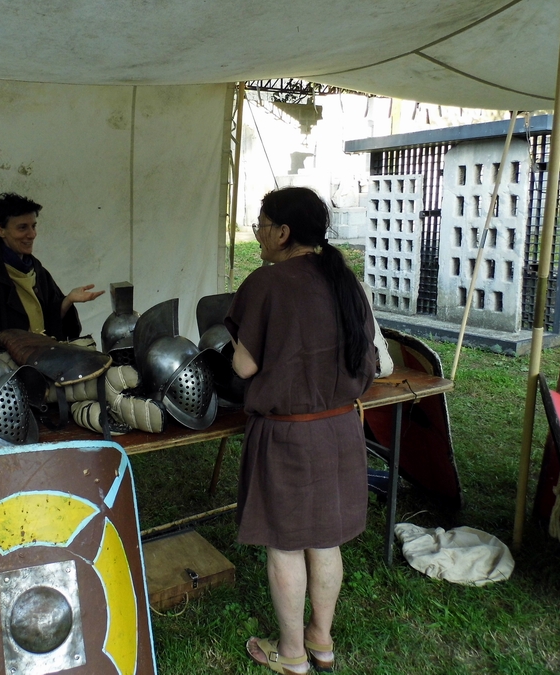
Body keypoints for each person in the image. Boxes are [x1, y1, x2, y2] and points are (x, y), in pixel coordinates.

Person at [225, 187, 376, 674]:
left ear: (283, 232)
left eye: (261, 226)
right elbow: (368, 359)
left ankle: (291, 654)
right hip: (341, 430)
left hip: (290, 436)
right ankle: (321, 640)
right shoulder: (345, 280)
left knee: (286, 544)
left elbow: (244, 366)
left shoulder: (267, 283)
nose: (258, 235)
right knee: (325, 541)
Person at [0, 192, 104, 344]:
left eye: (33, 226)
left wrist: (68, 299)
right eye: (22, 228)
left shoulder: (37, 270)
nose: (32, 234)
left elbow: (50, 321)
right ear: (0, 230)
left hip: (40, 357)